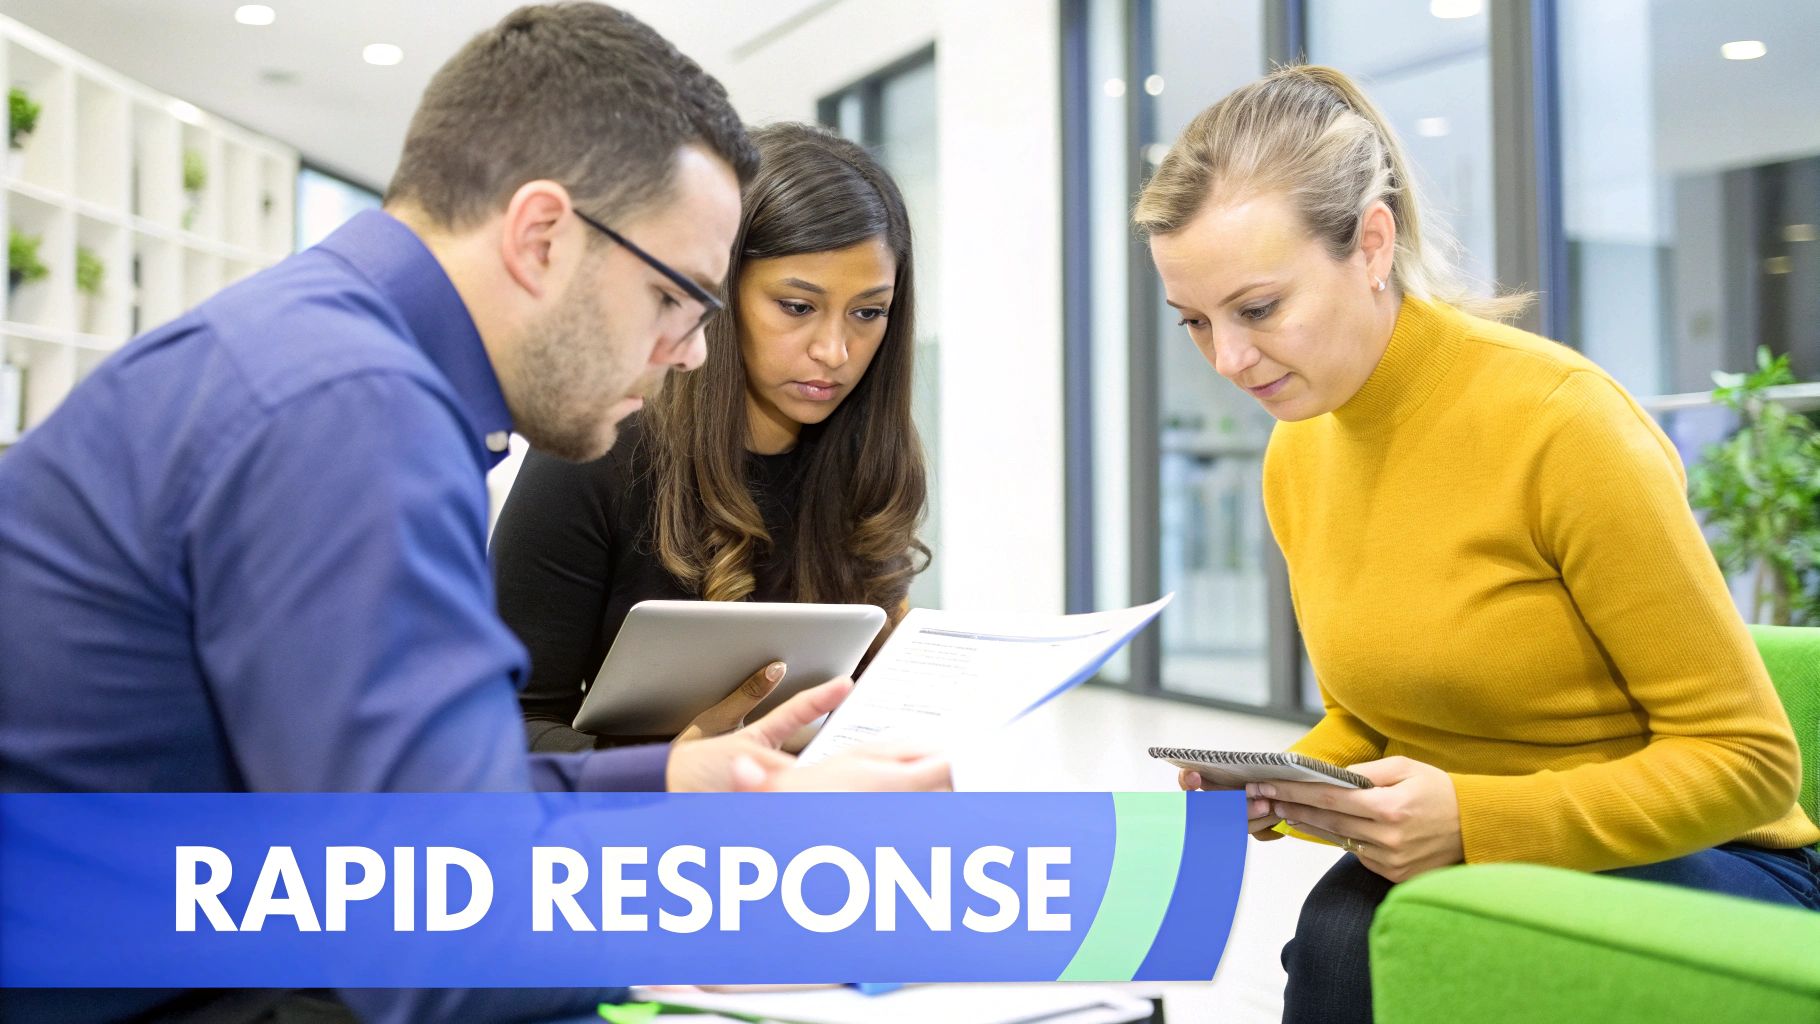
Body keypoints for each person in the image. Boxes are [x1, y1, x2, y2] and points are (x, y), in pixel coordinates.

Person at [0, 5, 946, 1022]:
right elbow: (434, 935)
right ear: (542, 236)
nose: (690, 353)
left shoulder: (326, 358)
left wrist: (674, 776)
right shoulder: (346, 410)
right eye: (675, 297)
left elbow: (416, 804)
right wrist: (744, 888)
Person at [1137, 64, 1820, 1024]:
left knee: (1355, 929)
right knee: (1351, 923)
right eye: (1195, 323)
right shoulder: (1299, 451)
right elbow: (1374, 717)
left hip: (1722, 869)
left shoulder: (1562, 423)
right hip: (1482, 865)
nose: (1229, 361)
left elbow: (1747, 763)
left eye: (1257, 310)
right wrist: (1286, 783)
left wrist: (1477, 819)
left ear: (1372, 244)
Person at [492, 122, 929, 750]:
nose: (835, 351)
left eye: (868, 312)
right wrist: (663, 771)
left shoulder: (871, 458)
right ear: (718, 295)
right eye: (797, 307)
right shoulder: (598, 452)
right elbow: (502, 730)